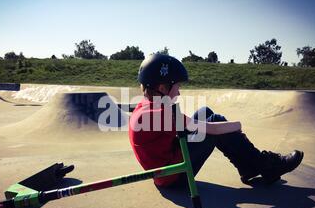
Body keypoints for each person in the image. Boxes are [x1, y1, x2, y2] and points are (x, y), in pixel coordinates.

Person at [128, 53, 304, 188]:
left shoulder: (146, 106)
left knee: (206, 112)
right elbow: (209, 129)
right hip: (174, 177)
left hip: (167, 165)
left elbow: (185, 125)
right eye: (177, 87)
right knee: (216, 124)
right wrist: (237, 125)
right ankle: (263, 166)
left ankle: (251, 166)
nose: (179, 92)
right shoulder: (160, 113)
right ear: (162, 88)